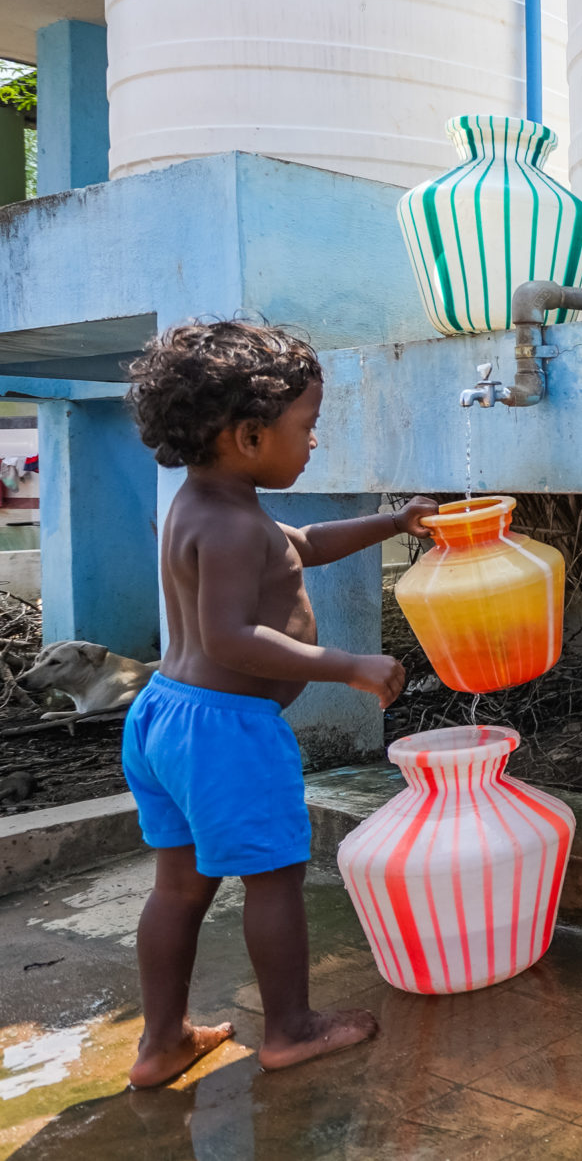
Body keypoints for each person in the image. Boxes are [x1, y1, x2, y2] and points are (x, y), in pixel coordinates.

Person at [120, 320, 439, 1087]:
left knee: (178, 885)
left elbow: (304, 542)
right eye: (308, 427)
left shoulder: (208, 503)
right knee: (275, 876)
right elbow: (232, 638)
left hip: (167, 716)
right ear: (250, 434)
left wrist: (393, 523)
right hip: (229, 730)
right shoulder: (232, 524)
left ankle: (162, 1042)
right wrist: (348, 664)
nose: (314, 442)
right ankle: (291, 1027)